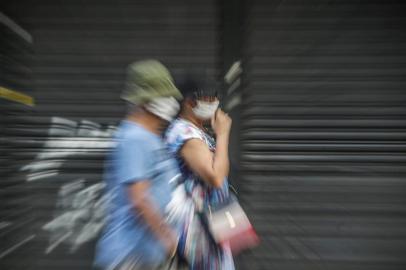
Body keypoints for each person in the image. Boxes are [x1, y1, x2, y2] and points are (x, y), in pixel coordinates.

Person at [94, 60, 184, 270]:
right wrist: (169, 240)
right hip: (131, 257)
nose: (171, 101)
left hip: (149, 255)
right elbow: (140, 200)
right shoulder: (134, 139)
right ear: (145, 102)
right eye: (164, 96)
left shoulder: (150, 138)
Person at [164, 75, 235, 269]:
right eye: (209, 98)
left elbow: (221, 171)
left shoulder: (199, 132)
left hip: (213, 220)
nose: (215, 103)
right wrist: (223, 134)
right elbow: (216, 177)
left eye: (215, 97)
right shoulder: (184, 132)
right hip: (198, 228)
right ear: (189, 102)